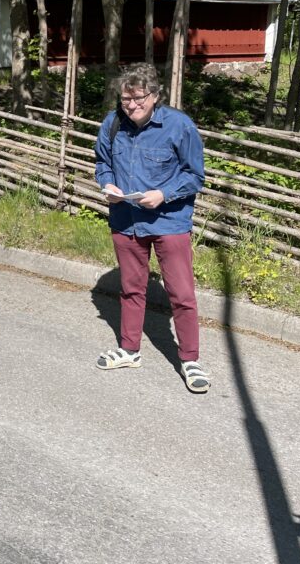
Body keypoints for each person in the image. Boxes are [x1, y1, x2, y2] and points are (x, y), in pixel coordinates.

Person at [94, 63, 210, 393]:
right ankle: (129, 350)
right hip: (126, 220)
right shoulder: (112, 123)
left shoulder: (179, 126)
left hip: (169, 222)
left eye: (138, 99)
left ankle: (190, 360)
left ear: (155, 96)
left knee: (182, 294)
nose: (131, 106)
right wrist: (108, 185)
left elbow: (195, 175)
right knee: (131, 288)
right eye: (125, 99)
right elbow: (103, 163)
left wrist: (164, 194)